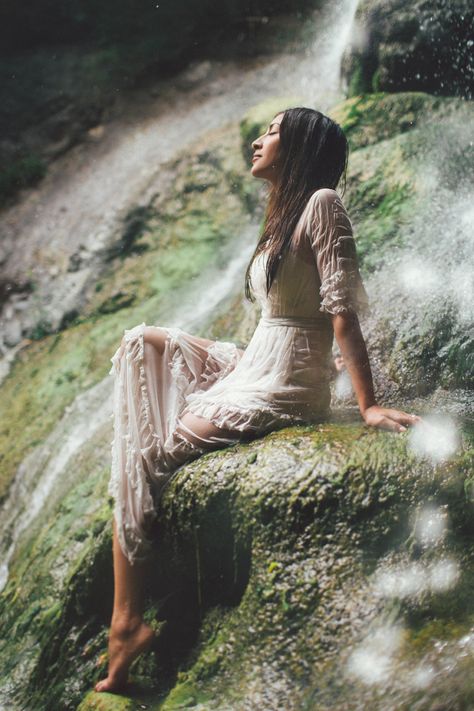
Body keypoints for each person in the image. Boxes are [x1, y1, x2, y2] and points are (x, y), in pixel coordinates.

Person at [95, 107, 420, 693]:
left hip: (286, 383)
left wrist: (368, 406)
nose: (257, 139)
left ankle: (127, 624)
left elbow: (341, 315)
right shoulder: (281, 216)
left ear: (298, 146)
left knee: (146, 458)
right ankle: (126, 618)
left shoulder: (322, 203)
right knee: (140, 342)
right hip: (254, 362)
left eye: (271, 132)